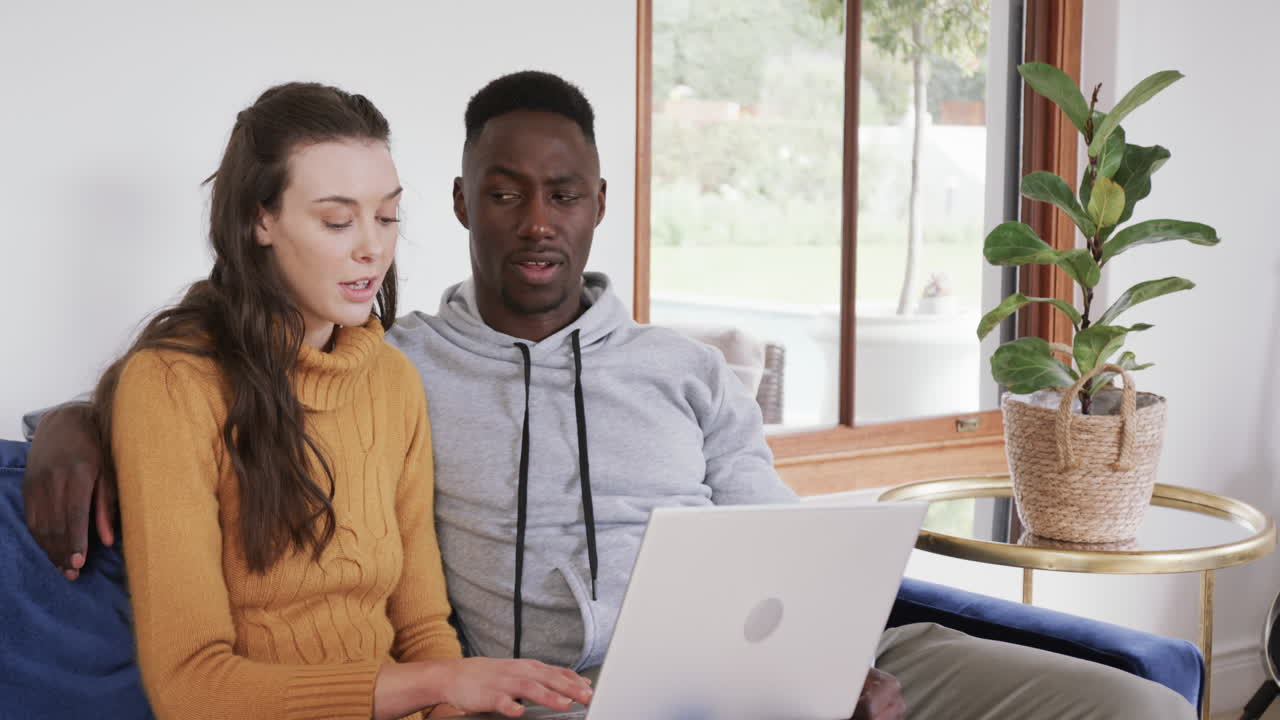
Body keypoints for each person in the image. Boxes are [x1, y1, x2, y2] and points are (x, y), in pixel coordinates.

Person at [23, 72, 1195, 720]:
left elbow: (781, 547)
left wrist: (827, 655)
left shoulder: (666, 371)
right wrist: (75, 418)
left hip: (726, 683)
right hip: (533, 697)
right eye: (502, 193)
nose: (537, 221)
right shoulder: (405, 362)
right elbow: (204, 400)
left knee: (1127, 712)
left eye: (383, 221)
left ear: (596, 204)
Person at [24, 81, 592, 720]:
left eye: (386, 216)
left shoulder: (392, 381)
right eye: (336, 220)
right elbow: (190, 686)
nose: (371, 248)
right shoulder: (173, 386)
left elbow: (424, 631)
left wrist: (448, 702)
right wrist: (430, 687)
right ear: (258, 219)